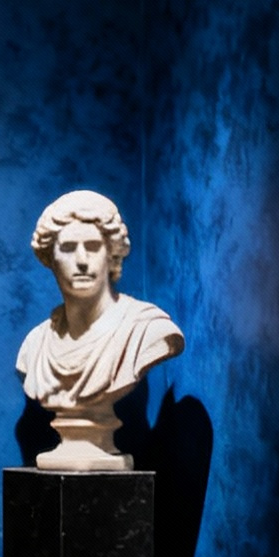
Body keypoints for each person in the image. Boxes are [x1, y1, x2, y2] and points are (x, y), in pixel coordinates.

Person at [16, 190, 183, 470]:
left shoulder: (146, 330)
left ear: (112, 255)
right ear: (50, 258)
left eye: (93, 246)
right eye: (68, 248)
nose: (82, 260)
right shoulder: (34, 346)